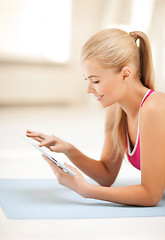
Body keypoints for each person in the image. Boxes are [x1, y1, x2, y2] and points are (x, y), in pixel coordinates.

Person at [26, 28, 165, 207]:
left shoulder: (154, 107)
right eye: (88, 80)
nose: (89, 89)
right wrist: (69, 149)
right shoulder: (116, 111)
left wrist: (87, 191)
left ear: (125, 74)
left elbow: (151, 196)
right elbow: (106, 175)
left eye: (96, 81)